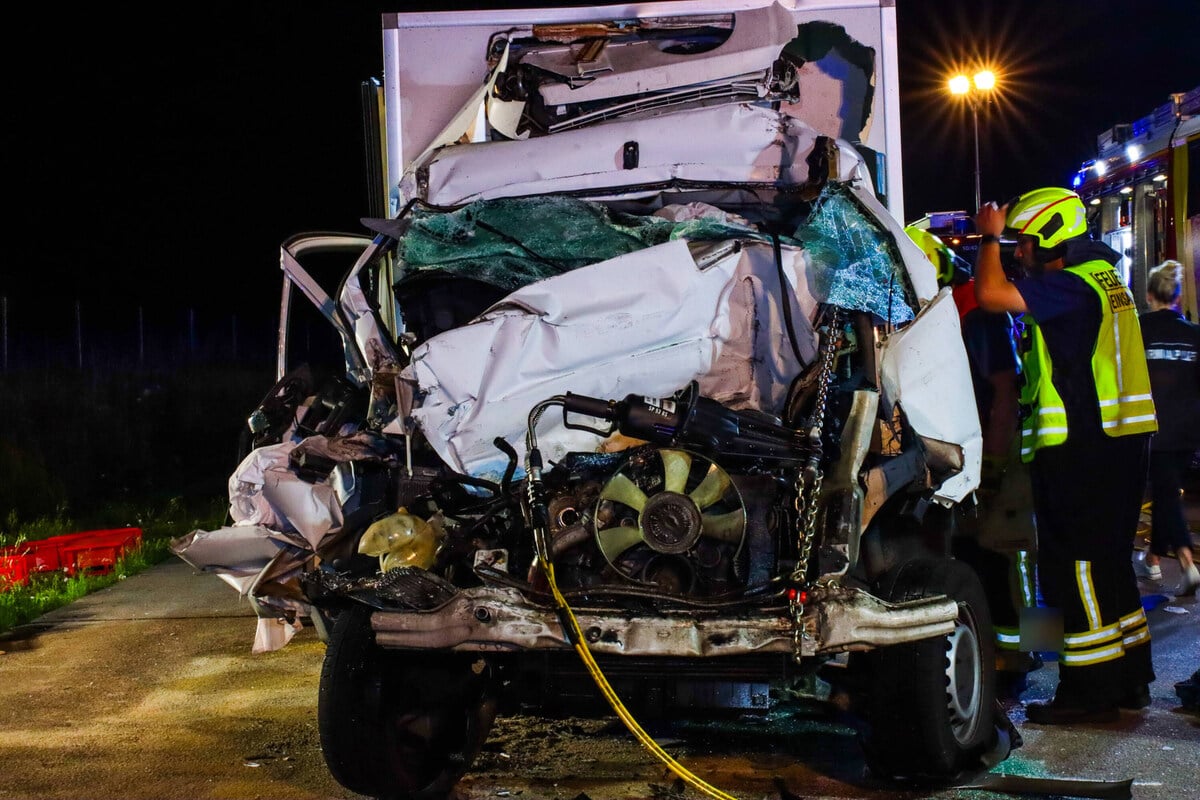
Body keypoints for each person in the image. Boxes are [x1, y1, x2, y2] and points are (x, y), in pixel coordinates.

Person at [974, 187, 1157, 725]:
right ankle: (1130, 678)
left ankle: (1088, 690)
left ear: (1051, 237)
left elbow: (990, 295)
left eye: (1025, 243)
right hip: (1118, 442)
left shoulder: (1070, 285)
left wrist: (988, 235)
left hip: (1083, 446)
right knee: (1108, 564)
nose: (1018, 255)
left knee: (1076, 566)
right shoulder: (1105, 278)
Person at [904, 225, 1038, 686]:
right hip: (973, 448)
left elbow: (1003, 386)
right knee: (979, 552)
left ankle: (1029, 656)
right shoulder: (953, 309)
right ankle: (1003, 650)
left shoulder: (976, 311)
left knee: (1014, 554)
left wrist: (995, 460)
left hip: (999, 448)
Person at [1135, 259, 1200, 596]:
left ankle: (1188, 563)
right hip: (1188, 432)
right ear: (1176, 296)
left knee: (1166, 494)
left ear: (1149, 294)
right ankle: (1154, 558)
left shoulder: (1138, 330)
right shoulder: (1194, 334)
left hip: (1152, 428)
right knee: (1166, 492)